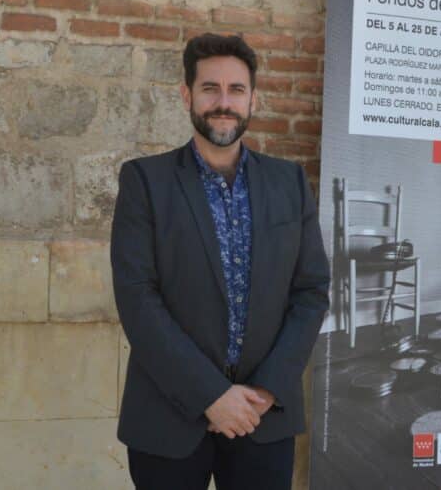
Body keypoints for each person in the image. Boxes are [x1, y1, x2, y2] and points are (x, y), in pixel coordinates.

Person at [111, 32, 331, 490]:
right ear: (187, 95)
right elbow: (137, 298)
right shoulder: (145, 182)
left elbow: (310, 291)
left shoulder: (289, 183)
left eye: (236, 90)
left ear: (254, 99)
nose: (223, 103)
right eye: (210, 88)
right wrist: (210, 395)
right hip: (168, 420)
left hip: (263, 419)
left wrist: (265, 391)